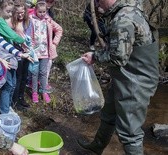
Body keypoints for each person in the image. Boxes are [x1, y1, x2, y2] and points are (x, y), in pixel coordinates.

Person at [78, 0, 159, 155]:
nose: (96, 4)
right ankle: (98, 145)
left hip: (136, 83)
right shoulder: (131, 9)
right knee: (108, 114)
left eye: (99, 0)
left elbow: (118, 58)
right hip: (126, 77)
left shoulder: (123, 19)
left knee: (130, 133)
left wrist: (95, 56)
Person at [30, 0, 62, 103]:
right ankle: (34, 92)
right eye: (40, 12)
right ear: (36, 11)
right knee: (34, 73)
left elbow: (59, 30)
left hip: (45, 52)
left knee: (43, 73)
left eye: (44, 12)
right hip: (34, 52)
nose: (42, 14)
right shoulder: (31, 20)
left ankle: (44, 92)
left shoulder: (48, 20)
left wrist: (54, 42)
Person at [11, 0, 34, 109]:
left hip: (27, 52)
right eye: (18, 13)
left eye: (22, 12)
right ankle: (15, 101)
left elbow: (30, 36)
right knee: (18, 77)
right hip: (17, 52)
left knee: (25, 76)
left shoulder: (28, 22)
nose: (20, 15)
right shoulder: (12, 23)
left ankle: (21, 98)